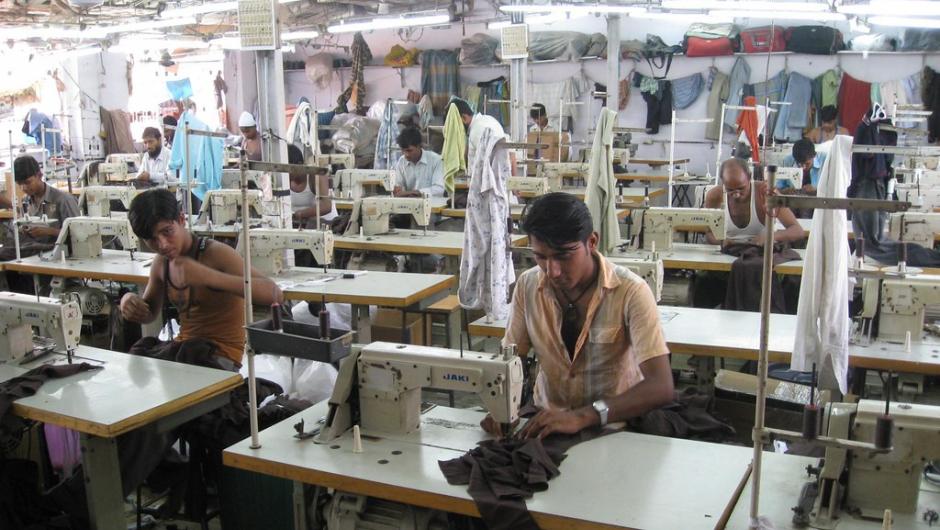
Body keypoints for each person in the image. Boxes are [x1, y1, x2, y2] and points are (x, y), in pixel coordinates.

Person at [481, 192, 674, 438]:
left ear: (591, 242)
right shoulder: (527, 286)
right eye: (540, 257)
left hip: (614, 426)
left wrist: (583, 416)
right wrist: (502, 406)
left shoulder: (631, 291)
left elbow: (660, 386)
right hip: (546, 421)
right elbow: (511, 359)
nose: (552, 271)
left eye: (563, 255)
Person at [119, 188, 282, 370]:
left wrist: (208, 276)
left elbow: (275, 294)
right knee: (137, 362)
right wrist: (128, 302)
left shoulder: (216, 254)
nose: (162, 244)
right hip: (186, 350)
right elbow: (149, 314)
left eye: (167, 231)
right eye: (151, 239)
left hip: (221, 356)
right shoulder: (161, 263)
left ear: (182, 219)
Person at [704, 158, 804, 246]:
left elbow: (797, 231)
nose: (736, 194)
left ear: (750, 177)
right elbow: (709, 233)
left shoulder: (765, 193)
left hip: (761, 253)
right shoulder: (715, 196)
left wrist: (772, 236)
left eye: (741, 188)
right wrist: (722, 242)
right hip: (728, 253)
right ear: (722, 182)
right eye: (730, 190)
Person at [288, 144, 336, 229]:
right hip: (300, 225)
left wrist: (299, 214)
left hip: (324, 224)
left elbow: (326, 206)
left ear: (299, 164)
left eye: (289, 169)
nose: (286, 173)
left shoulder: (316, 174)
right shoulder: (285, 179)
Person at [393, 127, 444, 198]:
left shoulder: (436, 160)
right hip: (409, 203)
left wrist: (417, 193)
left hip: (432, 203)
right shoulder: (401, 162)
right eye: (402, 150)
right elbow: (398, 190)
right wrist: (401, 191)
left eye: (409, 150)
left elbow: (439, 189)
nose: (406, 154)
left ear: (419, 146)